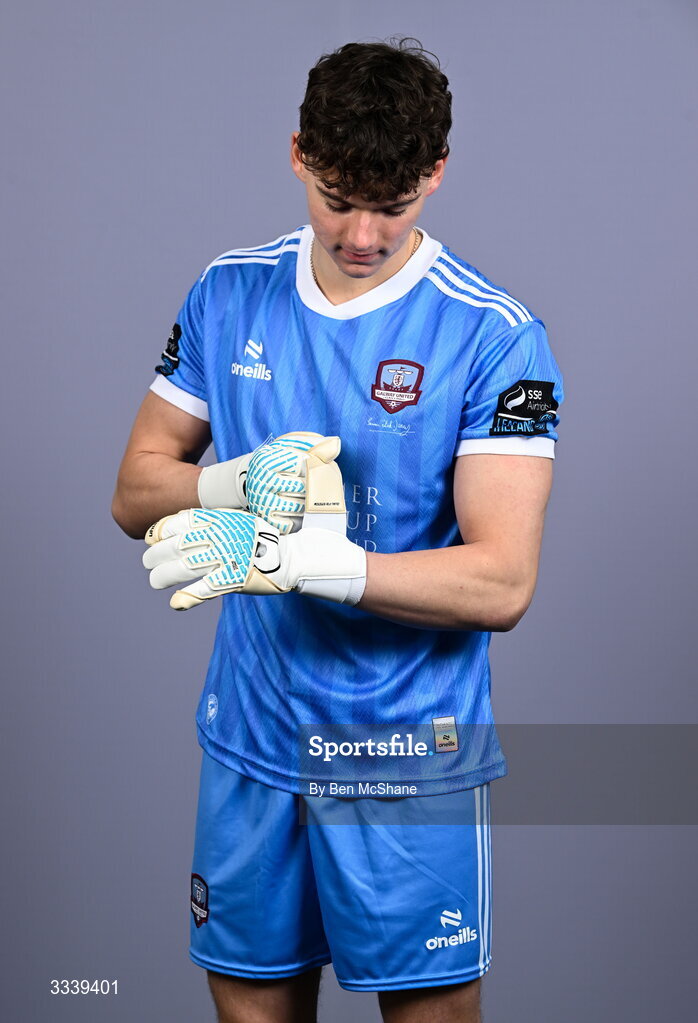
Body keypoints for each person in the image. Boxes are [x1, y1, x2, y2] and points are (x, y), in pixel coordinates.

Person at [113, 38, 563, 1023]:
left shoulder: (493, 335)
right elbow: (137, 491)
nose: (359, 233)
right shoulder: (227, 290)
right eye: (334, 197)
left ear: (434, 176)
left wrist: (313, 563)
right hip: (251, 734)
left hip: (402, 752)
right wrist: (231, 483)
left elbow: (500, 583)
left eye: (392, 205)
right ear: (295, 156)